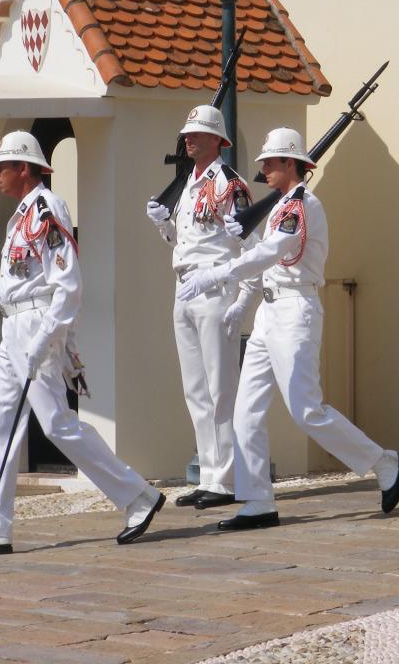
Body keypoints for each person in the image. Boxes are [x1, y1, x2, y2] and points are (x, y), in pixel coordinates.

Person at [0, 132, 164, 557]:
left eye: (2, 166)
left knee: (57, 425)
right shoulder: (21, 215)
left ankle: (138, 496)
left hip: (36, 325)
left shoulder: (47, 209)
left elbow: (68, 287)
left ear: (24, 168)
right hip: (15, 327)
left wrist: (47, 341)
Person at [176, 128, 399, 529]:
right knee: (246, 412)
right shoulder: (283, 205)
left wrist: (216, 275)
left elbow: (270, 254)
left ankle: (383, 462)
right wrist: (244, 300)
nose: (263, 167)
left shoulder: (303, 206)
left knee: (305, 409)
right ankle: (257, 501)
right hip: (270, 312)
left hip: (296, 310)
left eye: (271, 161)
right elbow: (263, 259)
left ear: (290, 164)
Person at [145, 105, 256, 509]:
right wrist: (163, 224)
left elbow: (249, 245)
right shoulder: (187, 185)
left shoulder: (231, 185)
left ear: (217, 140)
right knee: (196, 389)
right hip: (186, 286)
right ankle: (209, 473)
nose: (188, 139)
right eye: (187, 133)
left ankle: (225, 479)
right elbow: (185, 243)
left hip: (216, 288)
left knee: (220, 387)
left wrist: (244, 298)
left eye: (197, 133)